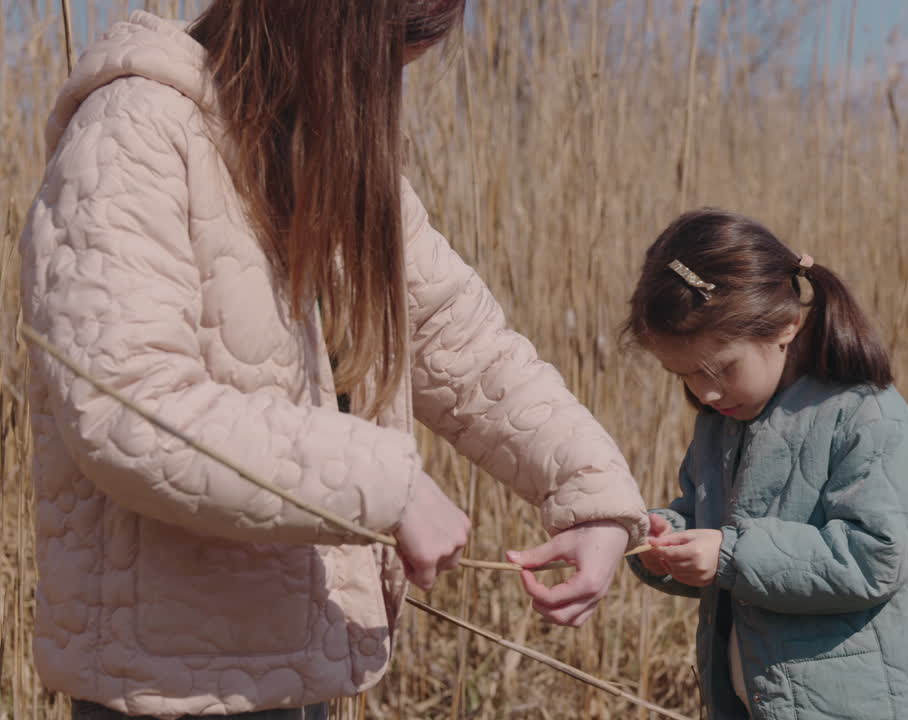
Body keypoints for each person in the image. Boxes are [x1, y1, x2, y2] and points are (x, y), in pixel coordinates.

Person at [20, 2, 649, 718]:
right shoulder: (132, 131)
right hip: (165, 685)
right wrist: (390, 486)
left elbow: (458, 340)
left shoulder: (326, 154)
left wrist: (590, 491)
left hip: (296, 665)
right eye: (380, 64)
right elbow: (129, 411)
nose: (382, 93)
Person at [625, 209, 908, 719]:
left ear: (785, 326)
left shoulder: (865, 416)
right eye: (683, 375)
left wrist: (729, 554)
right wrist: (664, 540)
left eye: (719, 368)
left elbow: (877, 554)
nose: (704, 392)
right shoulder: (722, 423)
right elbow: (714, 533)